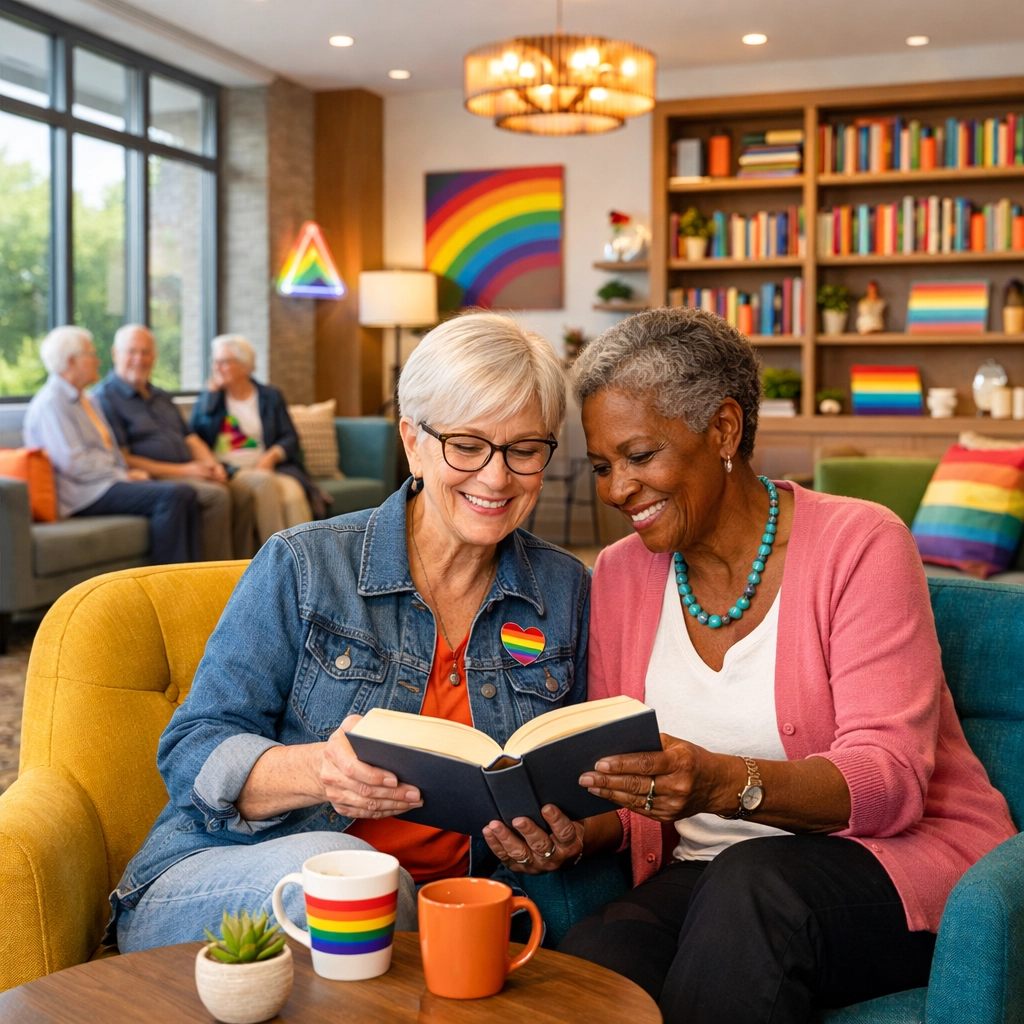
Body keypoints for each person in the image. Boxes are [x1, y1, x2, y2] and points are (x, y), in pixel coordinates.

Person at [483, 307, 1017, 1024]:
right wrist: (583, 830)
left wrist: (721, 782)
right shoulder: (618, 575)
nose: (616, 491)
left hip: (892, 866)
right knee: (596, 957)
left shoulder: (860, 545)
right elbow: (629, 784)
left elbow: (890, 782)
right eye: (604, 467)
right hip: (709, 879)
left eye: (640, 457)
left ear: (724, 430)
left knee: (753, 886)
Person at [109, 311, 589, 952]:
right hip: (236, 872)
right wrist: (316, 771)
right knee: (363, 887)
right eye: (467, 446)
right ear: (412, 440)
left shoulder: (563, 589)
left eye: (524, 449)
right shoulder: (304, 564)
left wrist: (567, 833)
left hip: (454, 902)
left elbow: (585, 773)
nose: (496, 477)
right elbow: (193, 749)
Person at [24, 326, 202, 565]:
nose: (98, 361)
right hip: (84, 493)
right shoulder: (51, 403)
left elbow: (109, 449)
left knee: (186, 494)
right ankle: (168, 586)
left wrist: (127, 473)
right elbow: (74, 464)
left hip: (105, 482)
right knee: (173, 495)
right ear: (71, 361)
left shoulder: (87, 399)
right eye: (91, 354)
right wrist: (123, 475)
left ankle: (194, 579)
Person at [93, 324, 256, 560]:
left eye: (146, 352)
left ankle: (245, 575)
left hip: (189, 471)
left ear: (155, 356)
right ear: (115, 354)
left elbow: (190, 438)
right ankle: (211, 582)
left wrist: (213, 465)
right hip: (155, 478)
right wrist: (184, 470)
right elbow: (124, 458)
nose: (140, 359)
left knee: (243, 493)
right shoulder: (105, 398)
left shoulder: (161, 396)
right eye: (132, 352)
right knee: (216, 496)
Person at [189, 335, 327, 545]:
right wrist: (210, 398)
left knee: (293, 495)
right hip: (232, 469)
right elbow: (196, 436)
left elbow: (290, 437)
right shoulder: (210, 399)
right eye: (214, 362)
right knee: (265, 483)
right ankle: (277, 559)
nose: (216, 367)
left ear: (245, 366)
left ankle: (309, 556)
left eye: (224, 362)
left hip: (268, 466)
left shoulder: (269, 396)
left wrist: (271, 456)